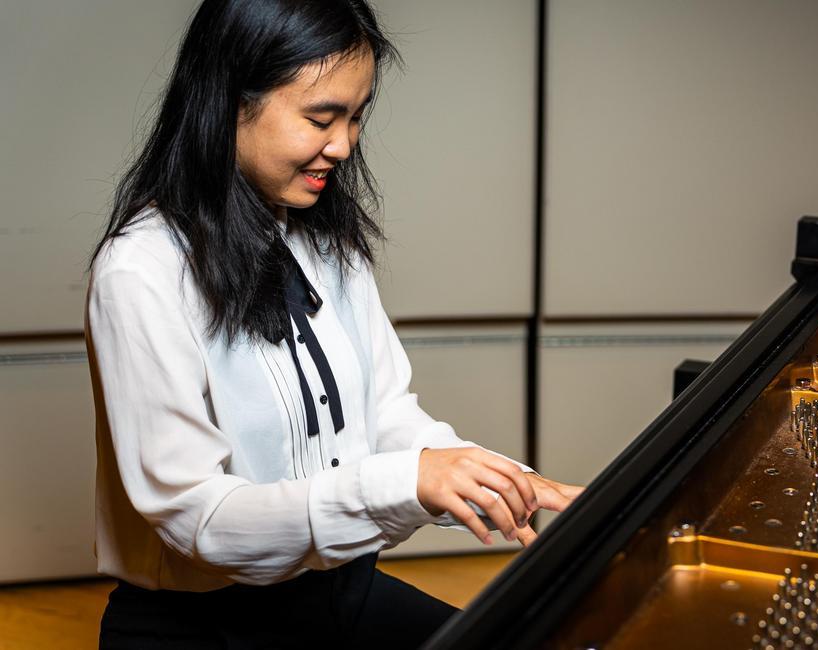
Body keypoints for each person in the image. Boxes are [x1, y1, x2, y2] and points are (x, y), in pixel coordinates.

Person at [84, 1, 581, 648]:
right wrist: (401, 485)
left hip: (335, 596)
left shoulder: (325, 239)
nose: (344, 145)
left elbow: (386, 414)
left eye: (357, 117)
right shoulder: (139, 272)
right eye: (321, 118)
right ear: (228, 102)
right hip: (202, 628)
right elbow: (201, 522)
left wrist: (500, 482)